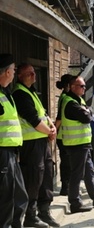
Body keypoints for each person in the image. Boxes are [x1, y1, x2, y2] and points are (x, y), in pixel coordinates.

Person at [12, 64, 58, 228]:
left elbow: (43, 114)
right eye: (29, 73)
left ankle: (44, 212)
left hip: (41, 141)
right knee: (33, 178)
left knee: (46, 175)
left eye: (34, 73)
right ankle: (30, 215)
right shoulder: (19, 94)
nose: (33, 75)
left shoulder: (32, 91)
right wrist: (49, 132)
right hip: (30, 143)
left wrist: (52, 126)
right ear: (20, 76)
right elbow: (33, 119)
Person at [61, 76, 94, 213]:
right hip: (75, 143)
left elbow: (88, 113)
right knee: (77, 174)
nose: (84, 88)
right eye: (81, 86)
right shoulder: (70, 102)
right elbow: (87, 117)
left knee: (89, 171)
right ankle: (75, 202)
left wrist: (88, 111)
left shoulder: (78, 100)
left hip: (83, 143)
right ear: (72, 87)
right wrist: (88, 111)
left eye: (84, 86)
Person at [0, 54, 28, 228]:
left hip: (11, 152)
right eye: (14, 69)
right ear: (7, 72)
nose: (14, 73)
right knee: (7, 198)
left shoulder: (6, 93)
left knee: (19, 196)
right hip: (2, 152)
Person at [54, 74, 73, 197]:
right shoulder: (66, 98)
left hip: (63, 135)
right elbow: (59, 117)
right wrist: (54, 130)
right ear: (68, 85)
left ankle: (67, 186)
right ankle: (66, 187)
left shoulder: (64, 96)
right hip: (63, 135)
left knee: (67, 162)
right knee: (67, 162)